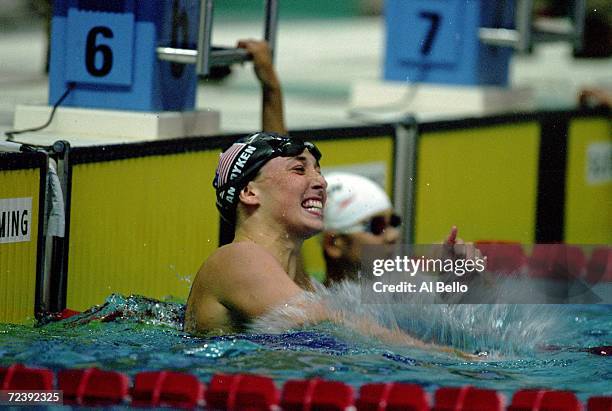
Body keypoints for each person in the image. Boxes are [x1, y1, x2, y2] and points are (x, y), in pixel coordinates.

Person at [322, 172, 480, 287]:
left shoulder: (413, 282)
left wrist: (466, 278)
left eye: (394, 221)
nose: (393, 235)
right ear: (335, 244)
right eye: (377, 226)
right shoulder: (319, 310)